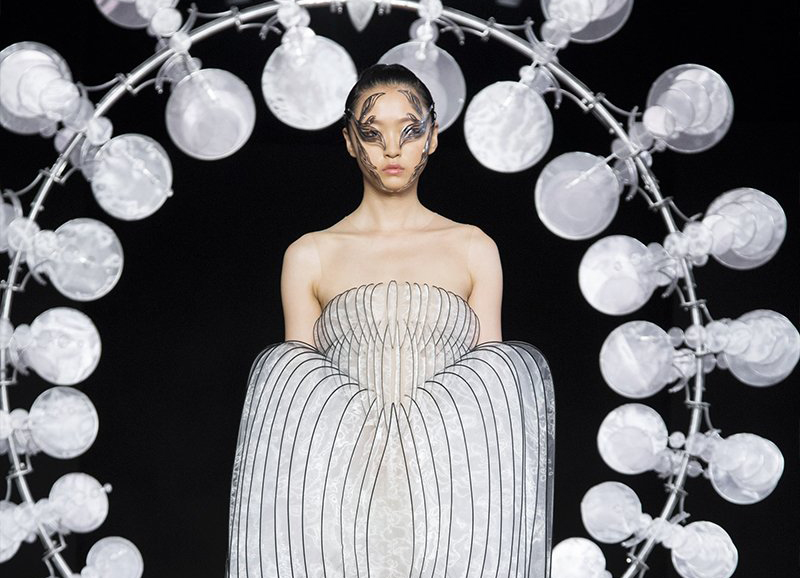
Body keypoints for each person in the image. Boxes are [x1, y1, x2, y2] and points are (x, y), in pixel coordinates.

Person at [226, 63, 555, 578]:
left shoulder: (473, 248)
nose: (392, 149)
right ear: (350, 142)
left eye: (410, 130)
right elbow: (294, 416)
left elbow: (494, 411)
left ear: (433, 137)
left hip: (451, 505)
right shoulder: (311, 255)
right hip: (339, 505)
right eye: (372, 133)